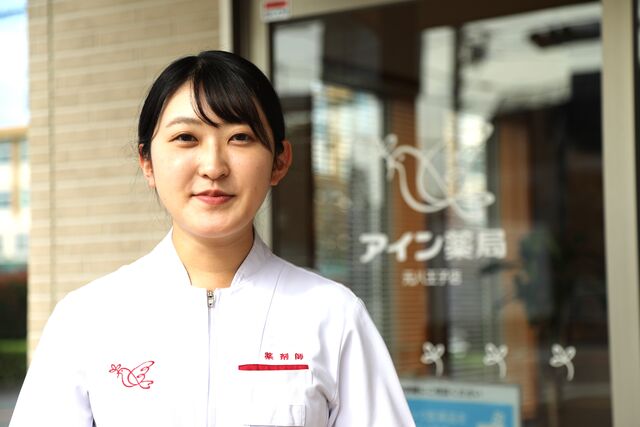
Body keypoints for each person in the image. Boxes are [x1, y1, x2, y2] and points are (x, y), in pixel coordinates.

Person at [9, 50, 416, 427]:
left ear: (279, 161)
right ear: (147, 162)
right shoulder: (86, 319)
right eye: (186, 138)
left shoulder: (332, 316)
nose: (213, 166)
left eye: (240, 137)